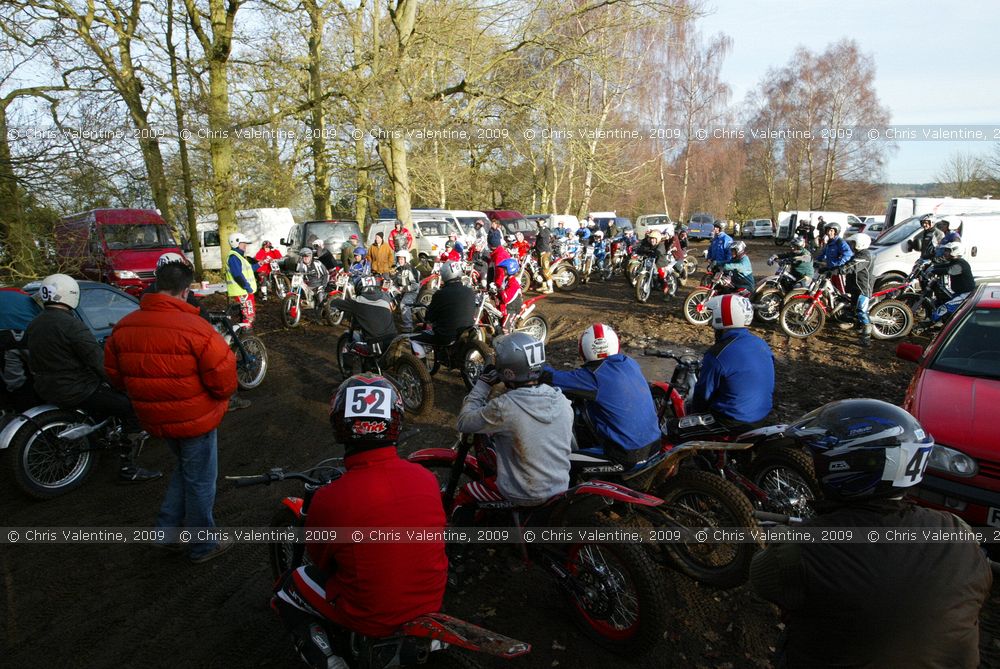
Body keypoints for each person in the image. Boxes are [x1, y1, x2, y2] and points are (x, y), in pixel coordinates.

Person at [750, 398, 991, 669]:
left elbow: (762, 581)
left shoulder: (801, 548)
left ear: (844, 467)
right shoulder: (958, 531)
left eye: (819, 459)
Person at [271, 375, 447, 668]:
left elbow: (321, 562)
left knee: (287, 588)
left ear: (340, 423)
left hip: (371, 616)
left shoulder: (330, 498)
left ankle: (328, 660)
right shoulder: (427, 478)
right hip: (430, 603)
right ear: (395, 422)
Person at [105, 260, 237, 562]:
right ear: (186, 290)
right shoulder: (197, 329)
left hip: (153, 416)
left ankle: (166, 532)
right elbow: (224, 379)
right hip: (194, 418)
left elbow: (114, 376)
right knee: (201, 480)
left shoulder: (125, 326)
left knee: (186, 471)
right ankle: (203, 543)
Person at [25, 274, 161, 482]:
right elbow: (97, 361)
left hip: (44, 386)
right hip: (76, 388)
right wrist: (120, 384)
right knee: (130, 408)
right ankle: (128, 468)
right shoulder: (71, 325)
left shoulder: (35, 324)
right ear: (71, 294)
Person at [454, 332, 574, 508]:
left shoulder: (504, 408)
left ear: (507, 370)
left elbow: (463, 422)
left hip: (523, 495)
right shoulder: (562, 400)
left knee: (466, 495)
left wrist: (483, 384)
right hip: (559, 489)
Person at [542, 324, 660, 463]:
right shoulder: (630, 363)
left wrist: (531, 364)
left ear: (583, 349)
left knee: (563, 462)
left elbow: (551, 377)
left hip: (627, 455)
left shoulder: (592, 376)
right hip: (655, 445)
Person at [672, 295, 774, 440]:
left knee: (670, 429)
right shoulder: (761, 344)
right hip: (762, 414)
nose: (711, 323)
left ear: (722, 318)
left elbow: (702, 396)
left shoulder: (717, 354)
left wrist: (693, 416)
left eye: (713, 316)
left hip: (732, 421)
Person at [414, 261, 478, 347]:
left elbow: (430, 318)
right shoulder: (470, 291)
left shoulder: (440, 294)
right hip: (467, 334)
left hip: (446, 337)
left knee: (412, 339)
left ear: (444, 275)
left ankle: (420, 360)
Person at [923, 241, 975, 327]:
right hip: (958, 293)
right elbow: (944, 266)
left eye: (948, 250)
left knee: (944, 308)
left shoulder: (961, 264)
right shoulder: (954, 261)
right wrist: (931, 267)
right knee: (939, 301)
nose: (945, 252)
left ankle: (929, 324)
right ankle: (942, 323)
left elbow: (948, 270)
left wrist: (933, 271)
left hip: (965, 294)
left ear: (955, 251)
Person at [840, 233, 875, 345]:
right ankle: (858, 327)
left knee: (861, 312)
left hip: (862, 289)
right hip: (855, 288)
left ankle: (866, 338)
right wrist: (831, 268)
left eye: (853, 243)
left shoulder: (864, 256)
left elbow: (851, 267)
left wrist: (838, 271)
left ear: (860, 244)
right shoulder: (858, 254)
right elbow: (847, 263)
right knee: (854, 308)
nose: (851, 245)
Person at [488, 234, 522, 332]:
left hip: (513, 307)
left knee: (505, 329)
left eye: (505, 269)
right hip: (507, 305)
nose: (503, 271)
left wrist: (499, 289)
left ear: (509, 270)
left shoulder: (513, 283)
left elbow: (506, 299)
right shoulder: (507, 280)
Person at [225, 232, 259, 326]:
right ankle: (247, 336)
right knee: (248, 316)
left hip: (244, 292)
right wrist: (247, 287)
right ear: (236, 243)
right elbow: (237, 275)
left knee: (247, 315)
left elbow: (248, 270)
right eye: (243, 244)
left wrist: (259, 264)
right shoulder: (233, 257)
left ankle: (245, 336)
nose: (245, 246)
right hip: (242, 292)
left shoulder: (239, 256)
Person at [814, 222, 853, 294]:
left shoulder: (840, 242)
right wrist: (816, 261)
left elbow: (848, 255)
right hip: (830, 269)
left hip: (838, 272)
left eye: (831, 231)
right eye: (828, 230)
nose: (829, 233)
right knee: (828, 289)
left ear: (836, 232)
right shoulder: (829, 242)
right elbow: (823, 254)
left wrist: (838, 264)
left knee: (841, 291)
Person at [295, 247, 331, 320]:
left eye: (307, 256)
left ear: (311, 256)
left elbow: (326, 274)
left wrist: (323, 286)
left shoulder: (317, 263)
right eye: (304, 256)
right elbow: (298, 274)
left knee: (320, 297)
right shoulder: (300, 264)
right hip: (308, 285)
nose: (306, 258)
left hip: (319, 284)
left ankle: (322, 315)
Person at [392, 249, 420, 332]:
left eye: (401, 259)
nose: (400, 260)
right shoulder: (399, 269)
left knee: (403, 304)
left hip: (411, 292)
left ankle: (408, 326)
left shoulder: (410, 270)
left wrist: (404, 289)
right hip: (402, 290)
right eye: (399, 259)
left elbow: (415, 285)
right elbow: (395, 280)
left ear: (406, 259)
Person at [533, 221, 554, 294]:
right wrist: (533, 248)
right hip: (540, 252)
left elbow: (542, 236)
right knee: (541, 270)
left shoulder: (546, 230)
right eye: (538, 223)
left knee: (546, 270)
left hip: (545, 253)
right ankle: (544, 286)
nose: (538, 225)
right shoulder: (540, 230)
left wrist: (541, 227)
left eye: (539, 223)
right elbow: (538, 241)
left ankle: (551, 288)